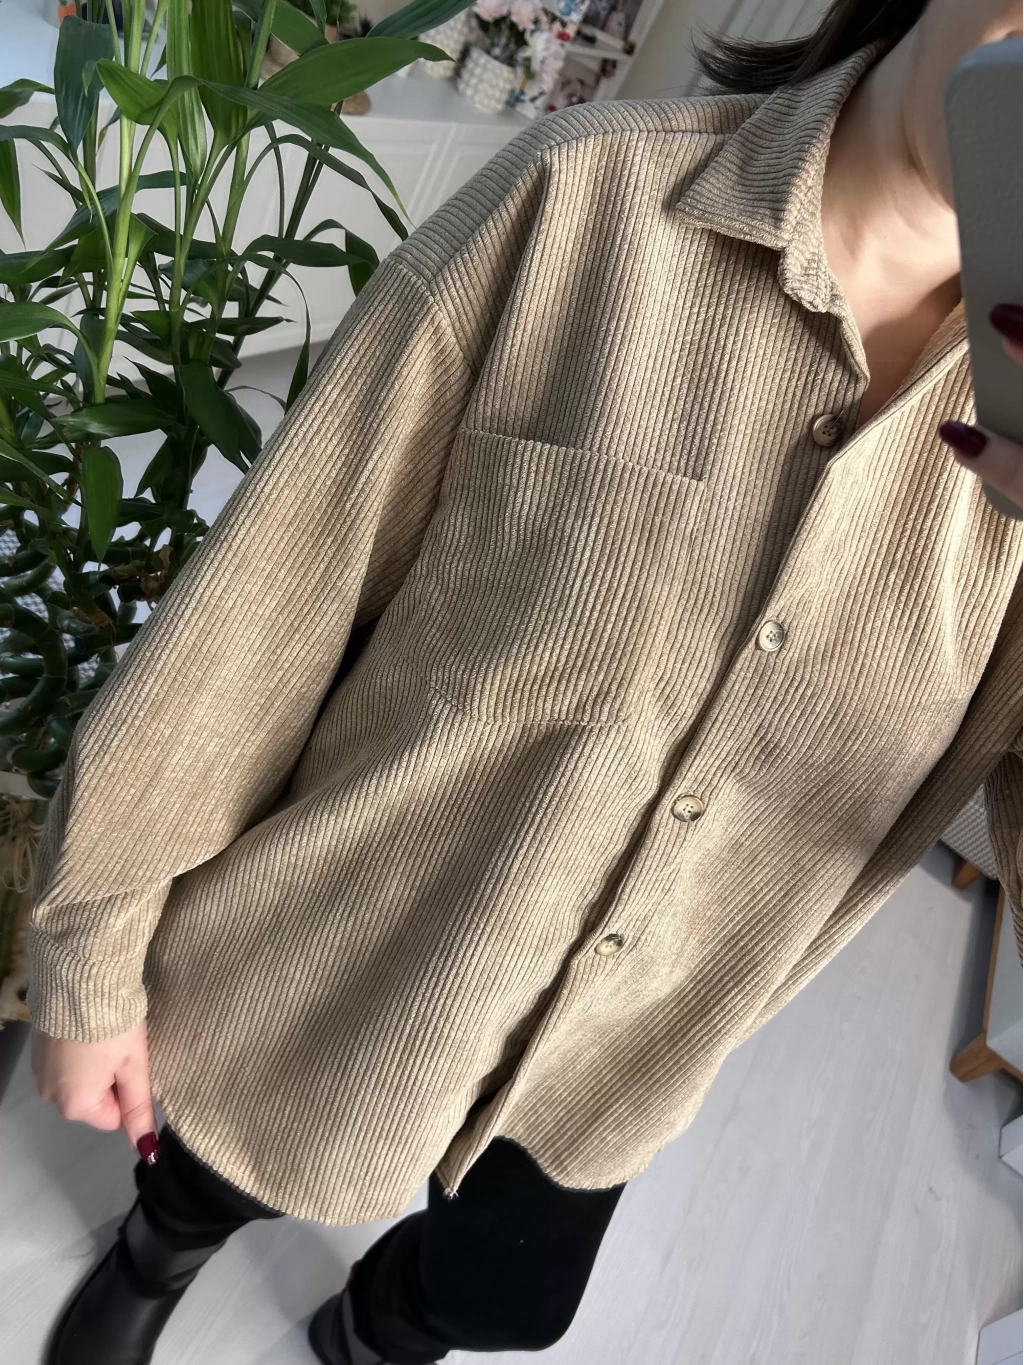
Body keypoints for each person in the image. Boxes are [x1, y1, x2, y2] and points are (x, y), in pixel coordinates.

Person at [28, 1, 1024, 1362]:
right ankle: (158, 1254)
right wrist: (93, 950)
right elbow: (271, 601)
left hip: (635, 1041)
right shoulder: (587, 200)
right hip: (368, 938)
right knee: (214, 1160)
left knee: (502, 1299)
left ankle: (374, 1332)